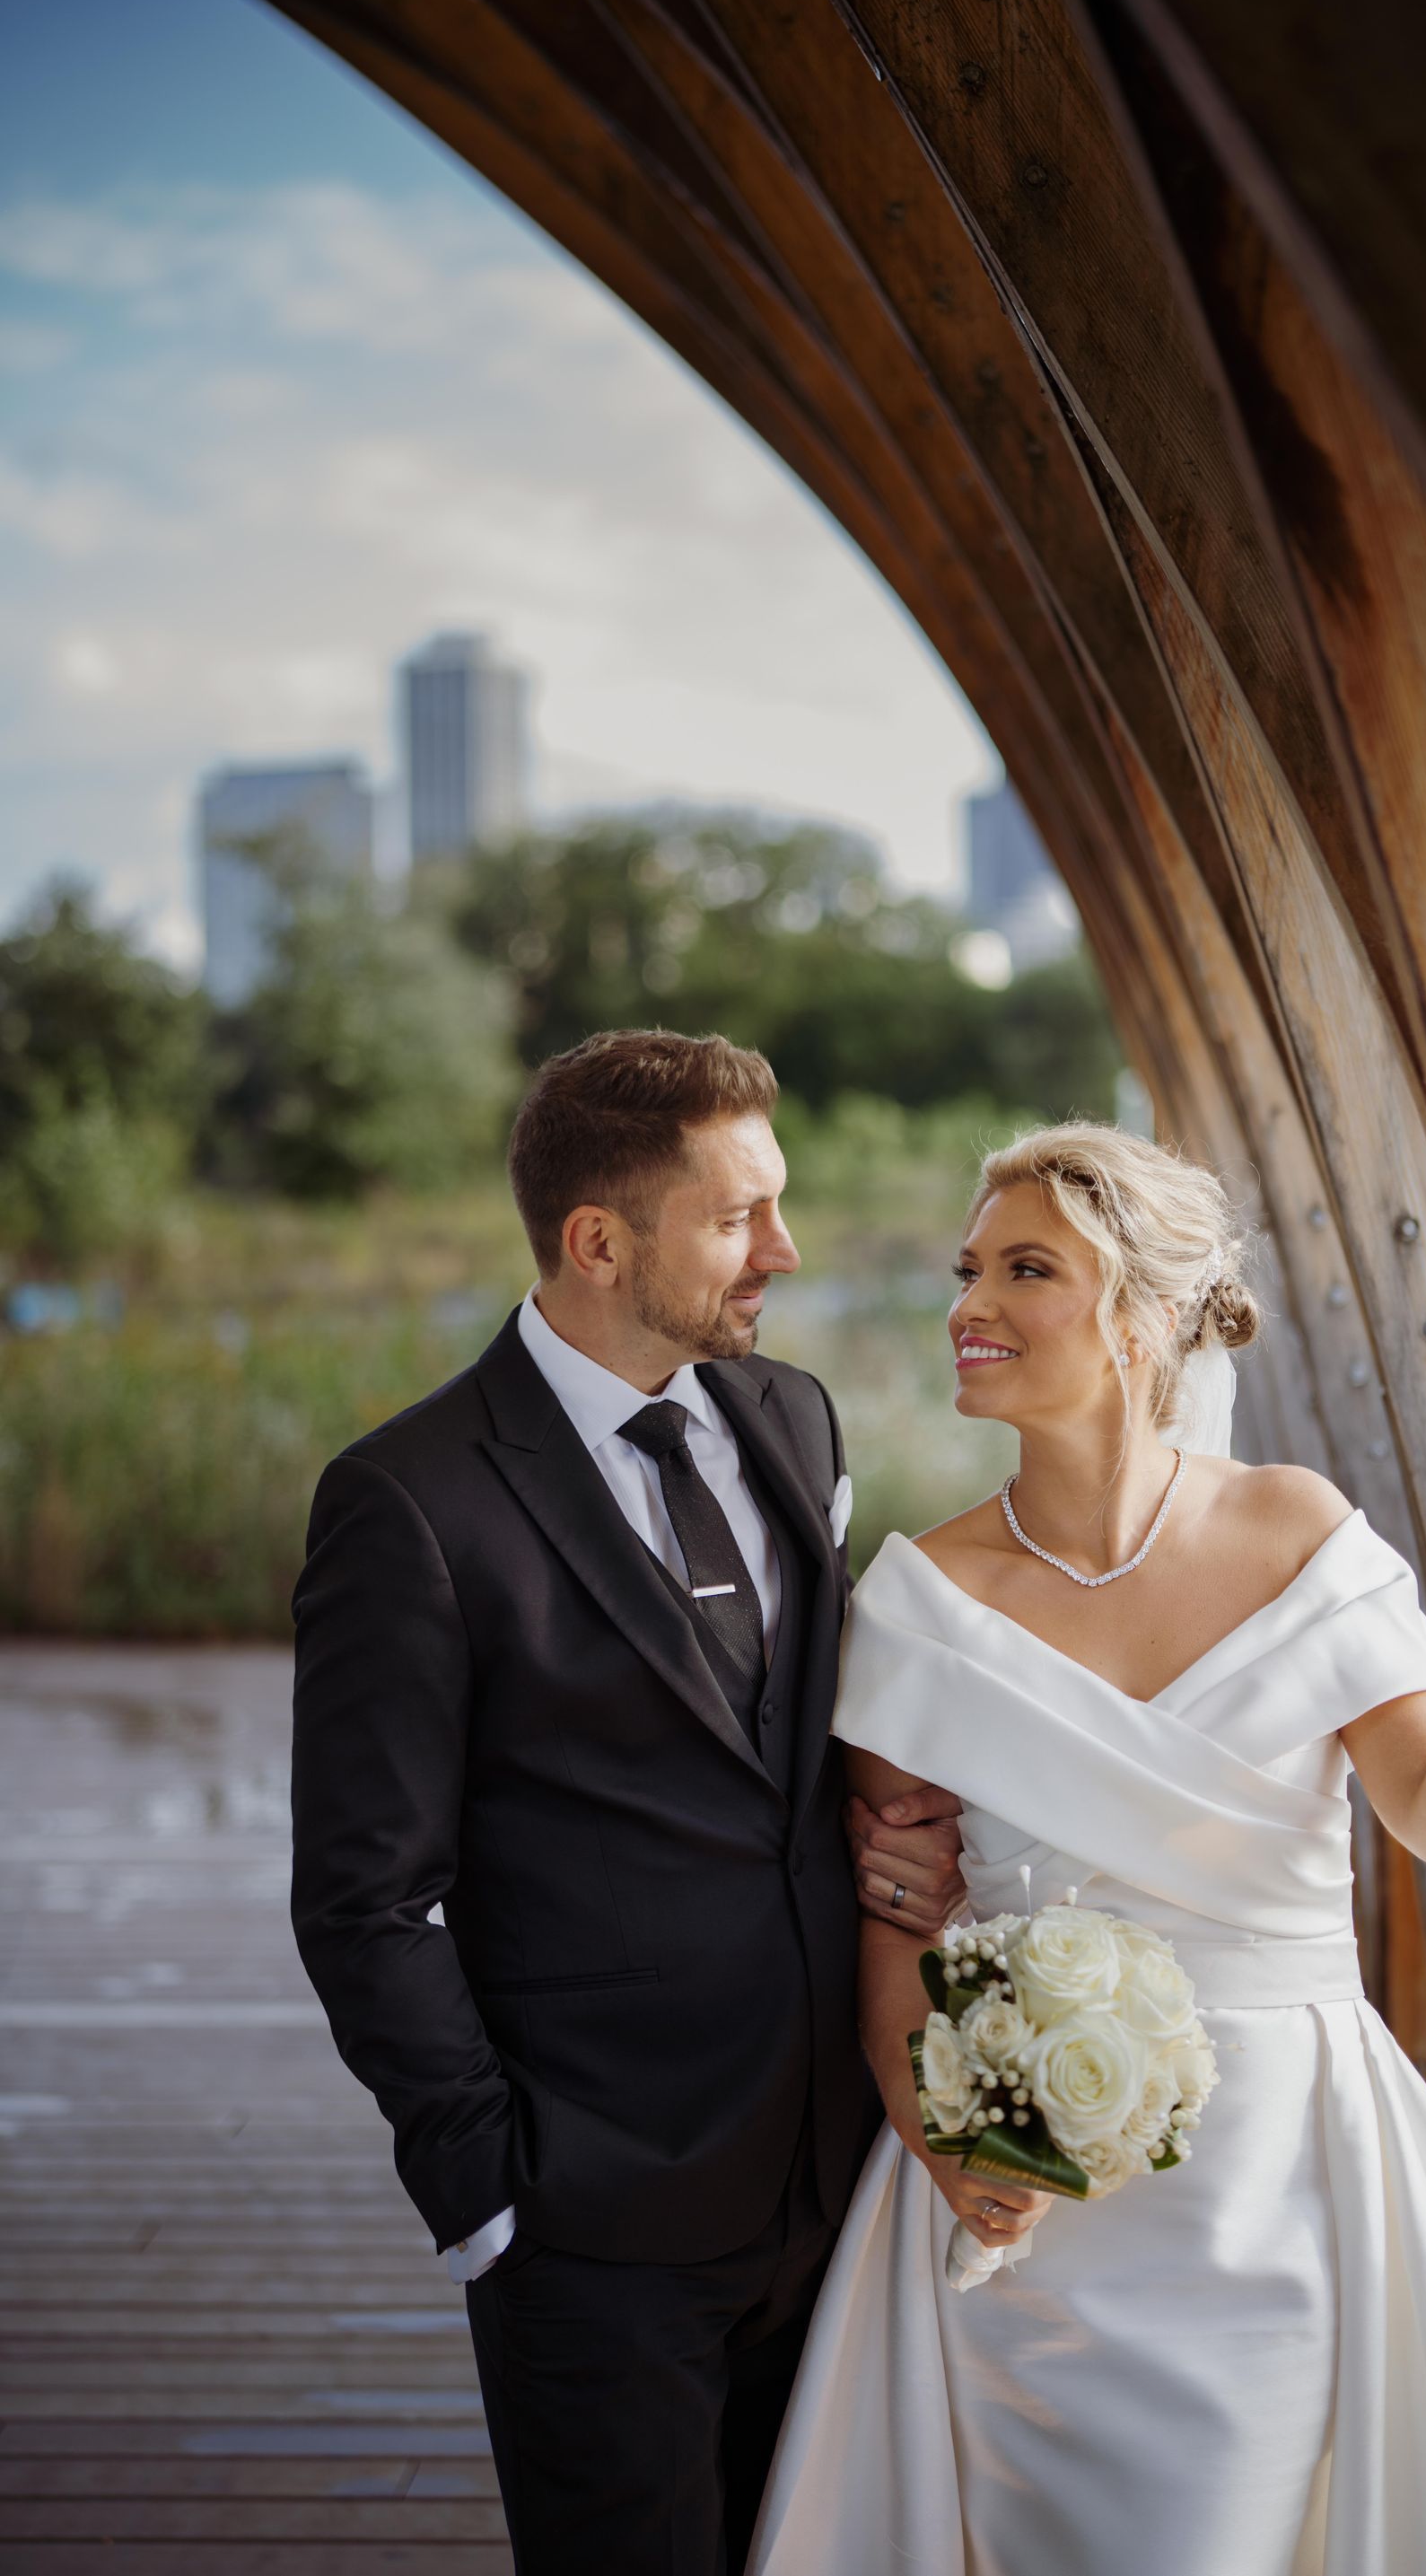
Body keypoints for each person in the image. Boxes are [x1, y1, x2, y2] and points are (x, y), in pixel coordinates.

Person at [752, 1122, 1426, 2576]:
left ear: (1141, 1317)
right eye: (967, 1268)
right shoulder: (922, 1602)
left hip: (1287, 2184)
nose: (968, 1303)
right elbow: (900, 1934)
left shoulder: (1297, 1530)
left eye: (1026, 1268)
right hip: (1041, 2217)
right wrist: (943, 2141)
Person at [288, 1029, 966, 2575]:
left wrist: (907, 1838)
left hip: (837, 2188)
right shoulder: (413, 1502)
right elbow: (364, 1898)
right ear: (599, 1240)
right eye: (738, 1219)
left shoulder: (792, 1418)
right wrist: (492, 2192)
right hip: (592, 2230)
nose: (782, 1252)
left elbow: (807, 1737)